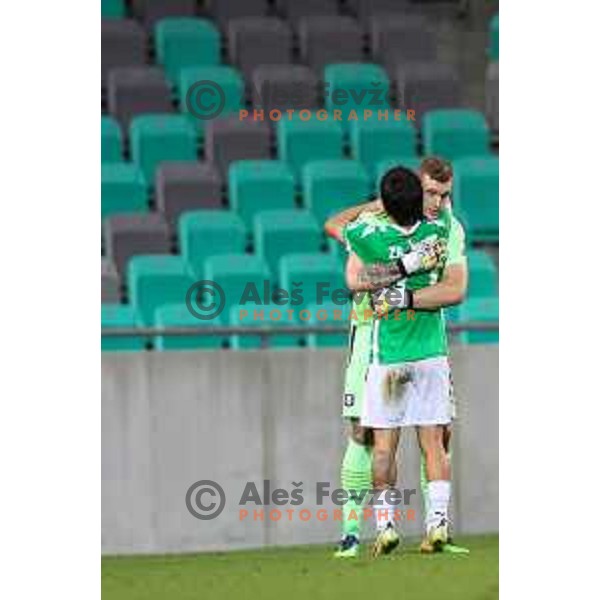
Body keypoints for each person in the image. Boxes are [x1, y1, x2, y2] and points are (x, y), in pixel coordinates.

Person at [327, 159, 468, 556]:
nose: (439, 202)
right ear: (413, 191)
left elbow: (455, 286)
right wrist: (382, 208)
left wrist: (402, 293)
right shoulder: (382, 224)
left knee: (436, 433)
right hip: (372, 338)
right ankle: (352, 533)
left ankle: (433, 530)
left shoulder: (447, 227)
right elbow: (354, 278)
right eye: (431, 193)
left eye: (445, 194)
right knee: (362, 433)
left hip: (412, 343)